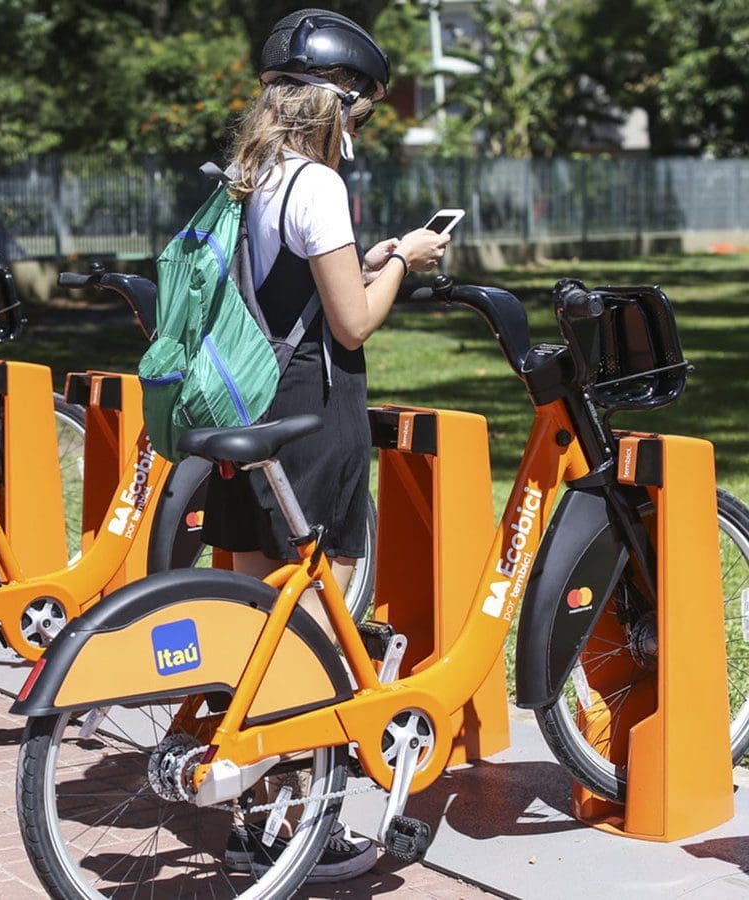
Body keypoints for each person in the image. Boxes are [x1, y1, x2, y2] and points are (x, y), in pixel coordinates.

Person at [203, 8, 450, 882]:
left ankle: (253, 818)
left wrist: (364, 257)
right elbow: (351, 322)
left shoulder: (247, 178)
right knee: (312, 623)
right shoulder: (315, 184)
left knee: (252, 621)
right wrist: (404, 260)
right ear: (337, 106)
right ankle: (300, 825)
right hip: (311, 407)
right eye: (363, 112)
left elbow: (283, 286)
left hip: (245, 400)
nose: (363, 128)